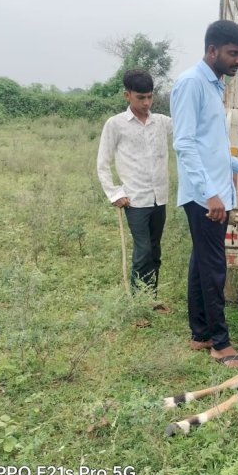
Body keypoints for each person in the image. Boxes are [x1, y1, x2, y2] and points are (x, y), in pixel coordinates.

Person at [171, 20, 238, 368]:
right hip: (205, 197)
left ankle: (201, 334)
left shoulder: (215, 84)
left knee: (201, 264)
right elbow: (185, 144)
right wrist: (210, 194)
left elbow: (212, 144)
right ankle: (221, 345)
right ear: (212, 51)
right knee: (214, 268)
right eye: (233, 53)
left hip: (215, 191)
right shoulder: (191, 83)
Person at [97, 69, 172, 311]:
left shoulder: (161, 122)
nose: (146, 103)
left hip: (159, 198)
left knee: (156, 252)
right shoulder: (116, 124)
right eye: (141, 97)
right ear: (127, 95)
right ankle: (138, 308)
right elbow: (103, 162)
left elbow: (189, 129)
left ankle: (151, 299)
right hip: (135, 200)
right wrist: (115, 193)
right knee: (143, 253)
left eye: (150, 97)